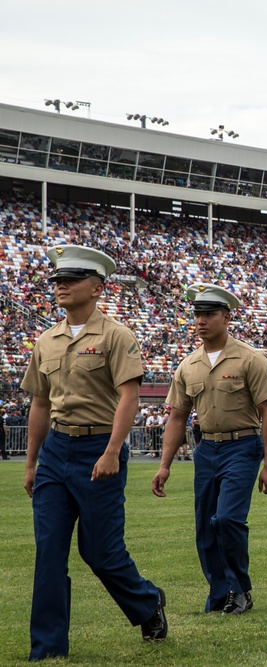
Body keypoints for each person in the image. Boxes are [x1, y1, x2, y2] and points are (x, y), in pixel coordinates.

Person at [20, 244, 166, 661]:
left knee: (100, 552)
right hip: (55, 452)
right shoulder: (46, 340)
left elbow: (129, 398)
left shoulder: (117, 336)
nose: (61, 286)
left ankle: (148, 602)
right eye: (57, 281)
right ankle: (48, 648)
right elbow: (41, 405)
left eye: (72, 280)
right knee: (48, 551)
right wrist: (31, 462)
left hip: (98, 450)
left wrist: (112, 450)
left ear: (98, 287)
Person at [152, 283, 267, 615]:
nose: (201, 321)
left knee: (227, 519)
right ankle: (220, 593)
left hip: (243, 446)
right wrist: (165, 465)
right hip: (206, 449)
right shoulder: (189, 365)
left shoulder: (250, 359)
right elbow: (177, 418)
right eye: (197, 314)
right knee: (206, 527)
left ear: (227, 317)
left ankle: (240, 589)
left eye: (209, 314)